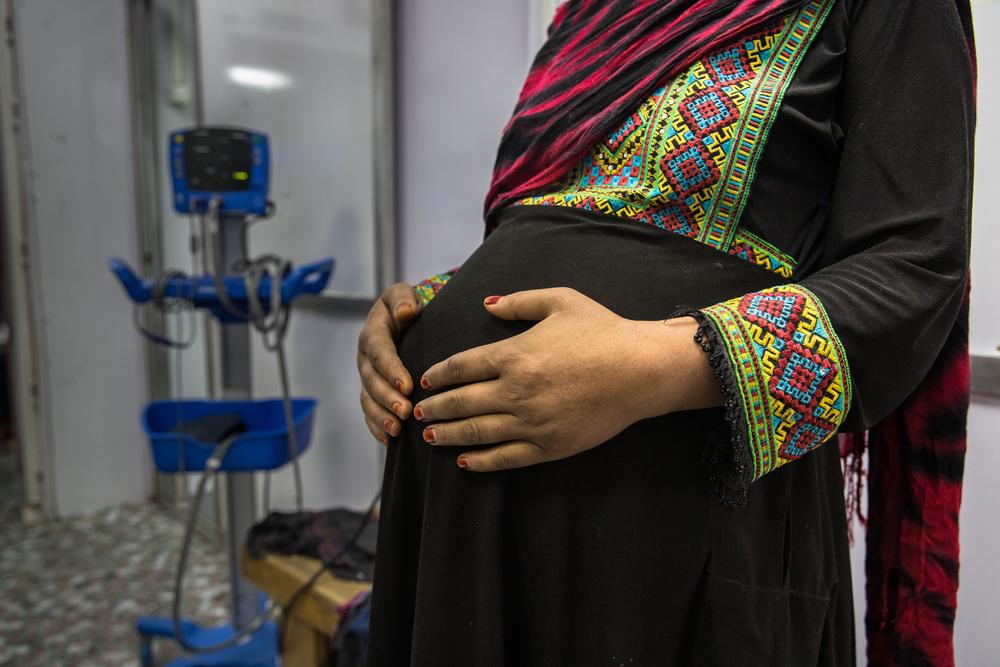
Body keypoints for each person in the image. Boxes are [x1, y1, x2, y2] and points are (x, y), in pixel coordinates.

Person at [356, 0, 976, 664]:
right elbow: (568, 214)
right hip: (466, 517)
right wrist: (430, 309)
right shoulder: (588, 13)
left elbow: (913, 267)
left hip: (672, 510)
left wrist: (657, 365)